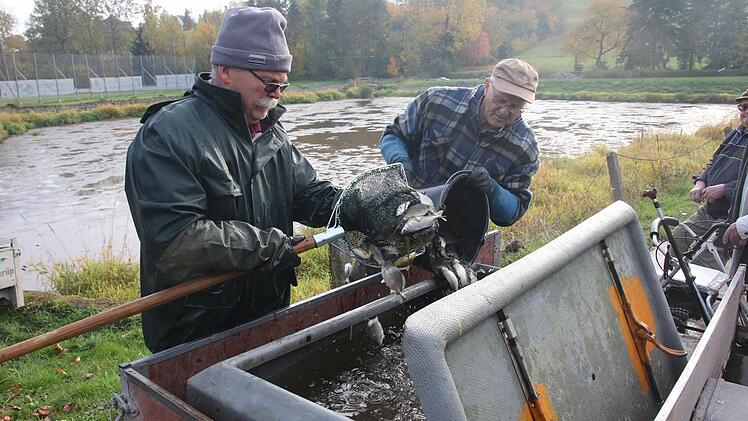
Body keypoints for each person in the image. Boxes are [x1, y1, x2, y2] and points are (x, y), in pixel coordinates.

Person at [125, 7, 339, 353]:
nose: (277, 94)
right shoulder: (167, 134)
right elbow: (177, 242)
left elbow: (309, 194)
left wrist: (355, 205)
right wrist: (272, 246)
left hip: (267, 318)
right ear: (225, 70)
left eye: (283, 85)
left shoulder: (271, 132)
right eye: (269, 83)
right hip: (197, 333)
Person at [380, 58, 540, 227]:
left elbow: (513, 212)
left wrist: (493, 190)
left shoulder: (525, 147)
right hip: (405, 206)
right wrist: (400, 161)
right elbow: (393, 135)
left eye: (515, 106)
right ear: (487, 86)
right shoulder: (437, 101)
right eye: (499, 100)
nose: (504, 111)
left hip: (459, 229)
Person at [673, 88, 748, 269]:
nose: (744, 111)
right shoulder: (737, 133)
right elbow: (714, 162)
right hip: (710, 209)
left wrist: (725, 189)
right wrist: (700, 182)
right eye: (742, 107)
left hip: (732, 214)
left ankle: (702, 294)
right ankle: (675, 285)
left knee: (707, 255)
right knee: (679, 236)